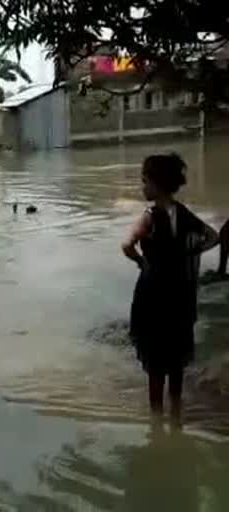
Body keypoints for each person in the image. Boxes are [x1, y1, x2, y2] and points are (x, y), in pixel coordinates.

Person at [122, 153, 219, 427]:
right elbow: (213, 236)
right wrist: (190, 251)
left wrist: (141, 261)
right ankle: (176, 416)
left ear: (156, 184)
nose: (143, 188)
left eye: (144, 182)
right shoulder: (185, 214)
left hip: (153, 295)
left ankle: (156, 422)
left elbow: (127, 245)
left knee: (155, 362)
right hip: (180, 295)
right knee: (176, 359)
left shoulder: (150, 216)